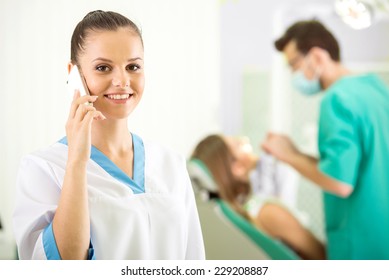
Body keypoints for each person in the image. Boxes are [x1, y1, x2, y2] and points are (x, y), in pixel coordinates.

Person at [13, 10, 205, 260]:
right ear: (74, 73)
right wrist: (77, 161)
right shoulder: (44, 168)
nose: (122, 81)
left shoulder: (171, 163)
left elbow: (194, 260)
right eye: (103, 68)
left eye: (133, 67)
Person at [262, 19, 389, 259]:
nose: (293, 74)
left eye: (294, 65)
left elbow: (339, 181)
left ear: (318, 57)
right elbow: (364, 166)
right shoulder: (378, 90)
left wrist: (287, 155)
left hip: (361, 247)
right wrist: (296, 153)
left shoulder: (337, 99)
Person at [190, 134, 325, 260]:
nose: (245, 140)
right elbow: (324, 257)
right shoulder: (268, 213)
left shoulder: (213, 223)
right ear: (238, 167)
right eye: (238, 144)